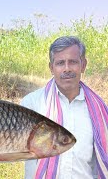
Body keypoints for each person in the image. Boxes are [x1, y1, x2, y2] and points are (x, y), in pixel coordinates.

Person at [21, 36, 107, 178]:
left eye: (72, 62)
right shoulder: (31, 104)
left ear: (83, 65)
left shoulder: (99, 111)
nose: (67, 69)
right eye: (60, 63)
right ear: (51, 68)